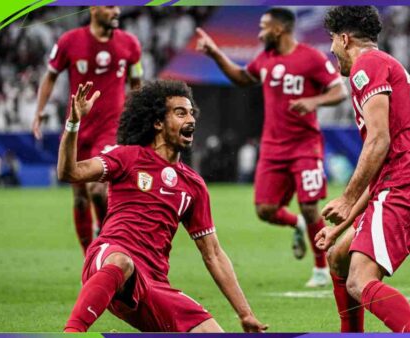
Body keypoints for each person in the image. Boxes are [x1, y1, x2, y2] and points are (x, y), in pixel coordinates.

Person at [60, 80, 267, 333]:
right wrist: (73, 123)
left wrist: (245, 313)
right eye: (180, 113)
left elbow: (213, 254)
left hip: (153, 285)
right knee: (123, 261)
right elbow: (70, 172)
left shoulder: (193, 186)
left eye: (192, 113)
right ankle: (73, 332)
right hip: (109, 260)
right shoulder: (128, 156)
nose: (190, 119)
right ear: (158, 122)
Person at [315, 6, 410, 333]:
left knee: (360, 281)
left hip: (406, 184)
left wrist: (347, 199)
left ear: (344, 38)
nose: (332, 51)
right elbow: (380, 174)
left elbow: (378, 141)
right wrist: (341, 225)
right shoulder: (391, 66)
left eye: (333, 41)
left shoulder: (368, 64)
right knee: (339, 255)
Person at [196, 7, 348, 287]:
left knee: (309, 205)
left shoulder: (310, 57)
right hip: (272, 148)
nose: (259, 32)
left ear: (279, 29)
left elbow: (339, 91)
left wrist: (314, 102)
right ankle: (298, 225)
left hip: (305, 146)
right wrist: (216, 53)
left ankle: (320, 269)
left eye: (264, 27)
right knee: (265, 210)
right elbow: (243, 78)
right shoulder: (265, 58)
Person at [32, 6, 143, 254]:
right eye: (110, 6)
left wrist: (138, 120)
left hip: (111, 128)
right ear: (94, 8)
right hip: (78, 129)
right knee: (80, 198)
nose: (116, 11)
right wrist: (39, 110)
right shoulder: (69, 41)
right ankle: (90, 258)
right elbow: (50, 76)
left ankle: (104, 240)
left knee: (99, 191)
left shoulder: (130, 44)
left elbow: (136, 83)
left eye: (118, 6)